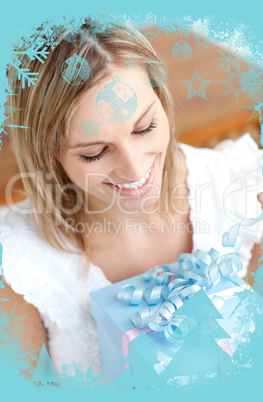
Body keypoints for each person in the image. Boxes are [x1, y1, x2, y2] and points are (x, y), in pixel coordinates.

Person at [1, 17, 263, 378]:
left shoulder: (246, 189)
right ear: (50, 155)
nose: (135, 169)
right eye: (94, 152)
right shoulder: (17, 261)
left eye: (145, 128)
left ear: (160, 98)